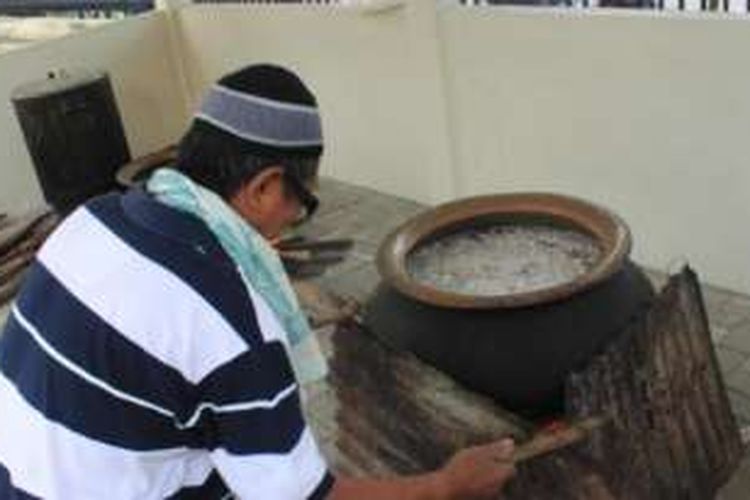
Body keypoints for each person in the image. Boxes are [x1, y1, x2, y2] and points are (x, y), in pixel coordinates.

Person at [0, 64, 515, 499]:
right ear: (265, 186)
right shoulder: (231, 328)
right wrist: (446, 484)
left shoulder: (91, 219)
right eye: (302, 205)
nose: (294, 221)